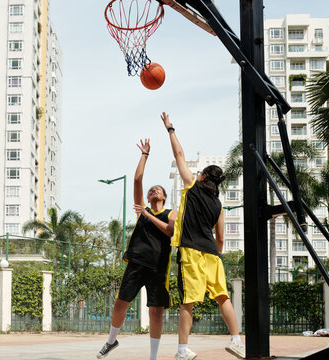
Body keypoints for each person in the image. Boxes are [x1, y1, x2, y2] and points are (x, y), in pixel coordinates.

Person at [160, 112, 245, 360]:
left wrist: (170, 129)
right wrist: (215, 251)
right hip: (212, 254)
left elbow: (179, 156)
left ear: (203, 177)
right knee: (222, 296)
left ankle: (182, 350)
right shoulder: (218, 206)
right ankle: (236, 340)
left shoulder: (192, 187)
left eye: (200, 173)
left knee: (188, 301)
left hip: (191, 251)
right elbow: (220, 238)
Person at [97, 139, 177, 360]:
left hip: (158, 267)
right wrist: (144, 156)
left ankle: (152, 357)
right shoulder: (142, 207)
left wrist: (147, 214)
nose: (153, 190)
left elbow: (170, 232)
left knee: (155, 311)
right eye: (151, 189)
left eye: (157, 189)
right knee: (120, 302)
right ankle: (111, 341)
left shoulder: (170, 212)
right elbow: (137, 179)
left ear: (163, 197)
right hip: (137, 263)